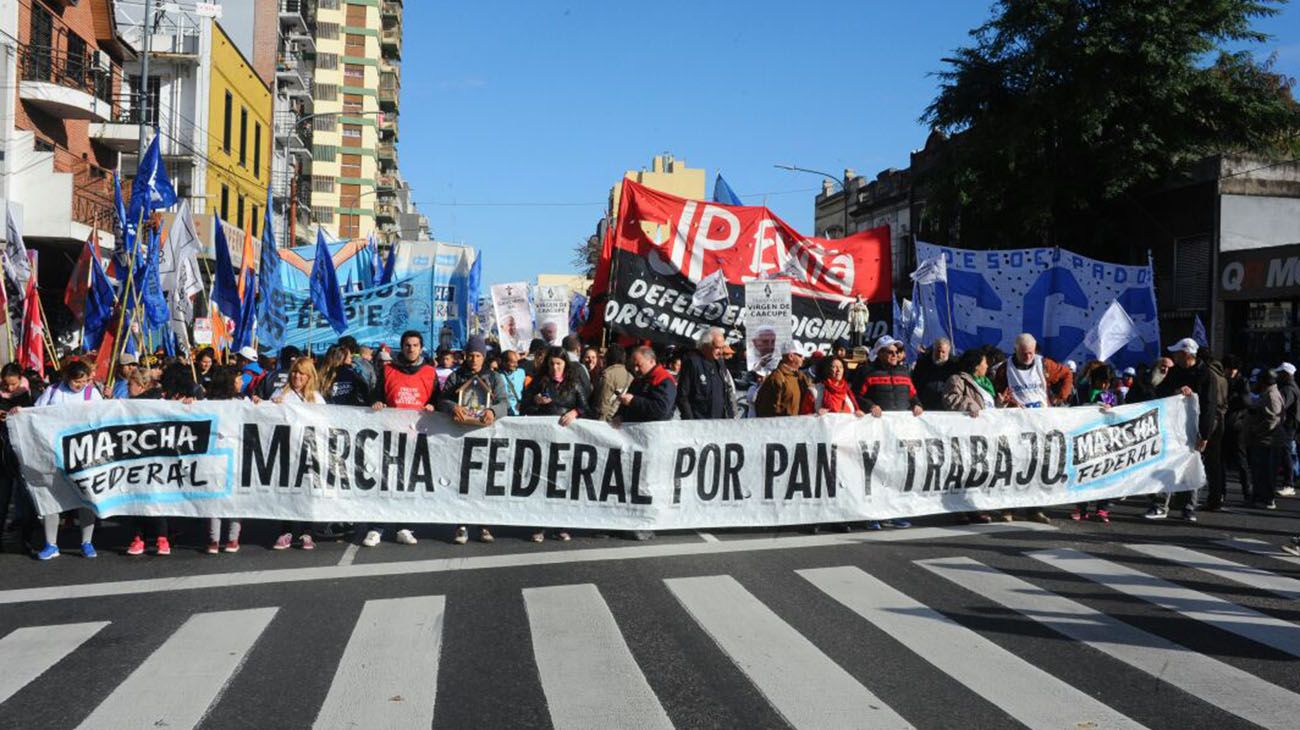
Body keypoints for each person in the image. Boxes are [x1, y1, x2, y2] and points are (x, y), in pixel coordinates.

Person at [367, 330, 440, 548]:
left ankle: (404, 527)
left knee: (408, 484)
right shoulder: (387, 370)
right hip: (389, 434)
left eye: (415, 345)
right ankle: (375, 528)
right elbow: (375, 394)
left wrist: (433, 405)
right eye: (407, 345)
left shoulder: (429, 372)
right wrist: (377, 402)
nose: (411, 349)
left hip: (416, 436)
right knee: (383, 481)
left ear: (421, 348)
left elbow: (439, 398)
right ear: (402, 347)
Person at [437, 335, 509, 545]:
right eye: (471, 355)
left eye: (478, 355)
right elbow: (442, 400)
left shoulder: (495, 378)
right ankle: (461, 524)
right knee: (461, 481)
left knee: (483, 481)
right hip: (459, 436)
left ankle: (484, 524)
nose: (474, 359)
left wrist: (493, 411)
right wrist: (452, 407)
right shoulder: (456, 377)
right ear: (465, 356)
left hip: (485, 437)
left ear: (484, 357)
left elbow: (504, 402)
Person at [1146, 338, 1226, 520]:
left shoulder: (1206, 375)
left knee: (1190, 466)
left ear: (1185, 354)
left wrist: (1204, 434)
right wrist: (1174, 390)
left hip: (1193, 428)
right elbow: (1159, 394)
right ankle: (1160, 504)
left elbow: (1209, 406)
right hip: (1172, 426)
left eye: (1176, 353)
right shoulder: (1174, 373)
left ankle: (1188, 507)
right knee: (1166, 463)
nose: (1173, 356)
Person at [29, 362, 101, 560]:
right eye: (77, 381)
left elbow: (104, 416)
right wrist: (19, 412)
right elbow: (34, 413)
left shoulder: (91, 393)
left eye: (85, 381)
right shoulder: (52, 391)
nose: (81, 385)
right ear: (67, 378)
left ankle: (87, 542)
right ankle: (51, 544)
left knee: (86, 499)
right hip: (54, 452)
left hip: (83, 454)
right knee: (51, 498)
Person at [522, 347, 590, 542]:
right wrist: (535, 401)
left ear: (565, 365)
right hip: (543, 440)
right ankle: (540, 525)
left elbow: (587, 407)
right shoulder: (539, 382)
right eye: (551, 364)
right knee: (543, 480)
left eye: (558, 364)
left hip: (566, 441)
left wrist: (575, 412)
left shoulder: (574, 383)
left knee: (563, 482)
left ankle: (561, 525)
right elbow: (524, 406)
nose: (555, 368)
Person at [851, 336, 918, 529]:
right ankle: (872, 514)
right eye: (890, 352)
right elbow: (856, 395)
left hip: (899, 432)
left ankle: (894, 512)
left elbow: (913, 394)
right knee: (875, 473)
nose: (895, 355)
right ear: (879, 353)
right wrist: (871, 405)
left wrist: (917, 405)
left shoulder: (904, 373)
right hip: (875, 431)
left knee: (896, 471)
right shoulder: (867, 372)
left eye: (897, 352)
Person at [263, 357, 326, 550]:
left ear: (309, 376)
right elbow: (265, 418)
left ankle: (307, 532)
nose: (297, 376)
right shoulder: (281, 393)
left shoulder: (316, 398)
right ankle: (286, 530)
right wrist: (273, 405)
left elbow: (324, 422)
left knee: (307, 492)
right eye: (295, 372)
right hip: (286, 451)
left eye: (302, 373)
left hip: (308, 451)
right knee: (287, 491)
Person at [941, 348, 996, 524]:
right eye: (984, 362)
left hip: (983, 435)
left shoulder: (985, 382)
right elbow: (950, 398)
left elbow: (986, 405)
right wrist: (969, 404)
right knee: (961, 472)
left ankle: (974, 507)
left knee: (977, 473)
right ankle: (958, 509)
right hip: (965, 435)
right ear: (976, 365)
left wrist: (1001, 401)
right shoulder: (957, 379)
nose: (987, 365)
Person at [205, 367, 244, 554]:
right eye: (238, 380)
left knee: (230, 497)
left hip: (234, 454)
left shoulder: (242, 402)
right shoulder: (206, 403)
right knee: (218, 497)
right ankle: (217, 538)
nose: (242, 383)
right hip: (216, 455)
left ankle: (231, 538)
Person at [1072, 368, 1117, 523]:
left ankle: (1102, 508)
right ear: (1093, 380)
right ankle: (1081, 508)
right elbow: (1071, 411)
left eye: (1107, 382)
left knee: (1105, 473)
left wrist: (1113, 410)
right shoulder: (1081, 392)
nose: (1104, 385)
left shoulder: (1114, 396)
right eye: (1101, 382)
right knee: (1083, 473)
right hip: (1085, 438)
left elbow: (1125, 413)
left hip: (1106, 440)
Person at [0, 363, 35, 553]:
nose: (10, 389)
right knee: (2, 499)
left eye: (13, 384)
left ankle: (26, 539)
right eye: (6, 385)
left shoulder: (29, 391)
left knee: (25, 499)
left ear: (20, 379)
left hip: (23, 454)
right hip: (3, 455)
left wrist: (24, 412)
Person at [992, 333, 1074, 408]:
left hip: (1042, 414)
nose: (1028, 357)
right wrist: (1007, 402)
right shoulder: (1004, 369)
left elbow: (1067, 373)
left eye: (1030, 353)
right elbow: (1000, 396)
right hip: (1018, 417)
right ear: (1015, 350)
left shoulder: (1044, 364)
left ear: (1034, 349)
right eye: (1023, 354)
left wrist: (1061, 397)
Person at [677, 328, 735, 420]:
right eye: (717, 348)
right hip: (699, 423)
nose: (720, 352)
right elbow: (682, 396)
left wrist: (730, 417)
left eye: (722, 347)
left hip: (720, 423)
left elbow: (727, 393)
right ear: (705, 345)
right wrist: (690, 421)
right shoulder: (692, 363)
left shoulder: (720, 363)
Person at [1247, 370, 1282, 511]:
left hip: (1267, 440)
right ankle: (1261, 497)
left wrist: (1256, 430)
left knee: (1266, 471)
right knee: (1260, 470)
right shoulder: (1268, 393)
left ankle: (1267, 498)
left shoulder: (1272, 396)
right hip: (1264, 439)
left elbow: (1273, 419)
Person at [1222, 355, 1254, 503]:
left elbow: (1246, 402)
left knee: (1241, 459)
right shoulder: (1224, 379)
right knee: (1220, 460)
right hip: (1226, 422)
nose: (1231, 373)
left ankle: (1247, 491)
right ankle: (1220, 491)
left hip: (1237, 424)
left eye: (1233, 370)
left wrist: (1233, 397)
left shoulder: (1243, 381)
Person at [617, 346, 678, 424]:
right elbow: (628, 400)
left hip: (650, 431)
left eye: (639, 365)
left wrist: (634, 401)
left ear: (652, 361)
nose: (636, 369)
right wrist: (619, 415)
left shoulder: (664, 379)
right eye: (634, 365)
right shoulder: (640, 378)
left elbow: (662, 410)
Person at [754, 343, 811, 418]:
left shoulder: (800, 377)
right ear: (791, 356)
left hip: (796, 426)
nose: (803, 358)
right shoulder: (777, 378)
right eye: (800, 356)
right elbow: (766, 410)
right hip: (782, 427)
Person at [1272, 362, 1300, 498]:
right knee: (1286, 452)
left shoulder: (1288, 389)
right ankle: (1289, 481)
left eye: (1280, 373)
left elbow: (1282, 406)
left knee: (1286, 452)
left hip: (1288, 425)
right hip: (1290, 425)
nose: (1277, 376)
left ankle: (1289, 484)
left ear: (1286, 374)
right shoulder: (1291, 387)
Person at [912, 337, 956, 411]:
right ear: (933, 350)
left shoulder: (954, 365)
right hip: (925, 406)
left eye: (943, 352)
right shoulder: (922, 363)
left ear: (948, 351)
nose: (940, 354)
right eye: (937, 351)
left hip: (946, 407)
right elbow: (914, 384)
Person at [592, 344, 632, 422]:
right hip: (620, 420)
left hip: (606, 421)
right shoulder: (630, 376)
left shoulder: (608, 375)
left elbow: (602, 403)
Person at [498, 349, 527, 416]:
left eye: (516, 362)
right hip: (505, 411)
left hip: (519, 411)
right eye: (512, 362)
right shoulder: (497, 376)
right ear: (504, 363)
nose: (516, 365)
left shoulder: (521, 372)